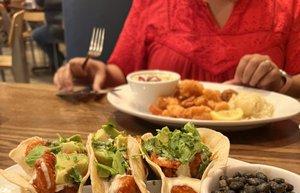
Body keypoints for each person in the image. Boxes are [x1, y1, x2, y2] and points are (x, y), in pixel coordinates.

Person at [54, 0, 300, 97]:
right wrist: (98, 73)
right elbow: (124, 74)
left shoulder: (289, 6)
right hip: (160, 148)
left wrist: (282, 82)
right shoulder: (152, 3)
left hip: (263, 151)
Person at [32, 0, 64, 71]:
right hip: (63, 24)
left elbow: (39, 5)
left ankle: (58, 59)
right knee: (39, 32)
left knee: (37, 35)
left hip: (58, 26)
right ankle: (56, 61)